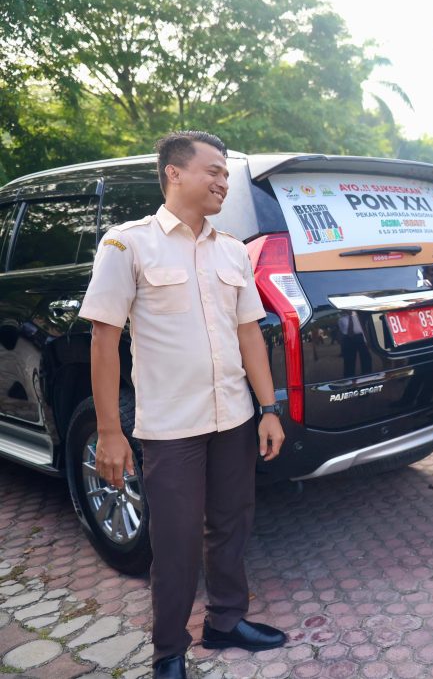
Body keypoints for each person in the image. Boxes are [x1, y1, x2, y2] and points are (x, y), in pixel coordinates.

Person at [80, 131, 287, 679]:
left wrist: (269, 408)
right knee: (173, 542)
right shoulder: (128, 245)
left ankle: (225, 621)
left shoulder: (231, 250)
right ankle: (169, 651)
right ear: (174, 173)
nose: (222, 181)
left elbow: (249, 333)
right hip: (171, 427)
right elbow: (104, 339)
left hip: (235, 418)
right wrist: (109, 432)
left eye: (225, 173)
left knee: (232, 524)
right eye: (213, 171)